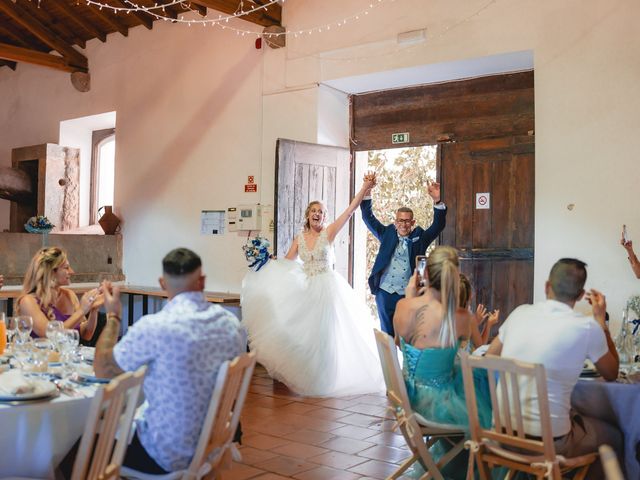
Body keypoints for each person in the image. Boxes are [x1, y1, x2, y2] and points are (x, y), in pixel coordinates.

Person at [89, 248, 245, 474]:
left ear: (163, 283)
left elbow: (103, 371)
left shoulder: (156, 327)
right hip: (212, 440)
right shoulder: (231, 324)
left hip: (166, 455)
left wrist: (113, 316)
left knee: (79, 446)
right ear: (202, 281)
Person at [241, 175, 384, 397]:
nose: (318, 214)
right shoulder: (299, 238)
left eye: (322, 212)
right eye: (314, 211)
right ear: (308, 215)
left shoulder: (329, 233)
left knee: (325, 336)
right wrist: (267, 262)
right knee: (304, 335)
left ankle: (327, 379)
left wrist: (365, 188)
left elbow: (349, 211)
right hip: (306, 287)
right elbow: (287, 262)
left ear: (325, 217)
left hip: (327, 287)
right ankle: (309, 376)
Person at [486, 258, 622, 479]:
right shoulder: (587, 327)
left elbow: (490, 357)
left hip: (500, 435)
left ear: (547, 286)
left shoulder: (519, 313)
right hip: (548, 445)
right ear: (580, 296)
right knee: (614, 436)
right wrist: (600, 321)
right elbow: (611, 373)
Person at [393, 246, 491, 430]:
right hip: (440, 405)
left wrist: (410, 297)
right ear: (454, 276)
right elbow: (465, 349)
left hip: (405, 399)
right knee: (487, 382)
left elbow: (399, 344)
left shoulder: (402, 306)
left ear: (426, 274)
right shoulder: (461, 317)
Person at [361, 174, 446, 337]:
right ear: (395, 222)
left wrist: (437, 200)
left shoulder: (420, 237)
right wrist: (367, 191)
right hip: (385, 292)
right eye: (400, 221)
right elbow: (368, 217)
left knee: (408, 335)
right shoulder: (386, 234)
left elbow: (438, 225)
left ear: (413, 222)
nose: (403, 224)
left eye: (407, 221)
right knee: (387, 335)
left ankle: (406, 363)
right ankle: (389, 363)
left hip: (409, 294)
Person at [17, 247, 102, 340]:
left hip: (66, 353)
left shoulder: (70, 295)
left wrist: (93, 310)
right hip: (40, 354)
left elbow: (86, 335)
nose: (72, 272)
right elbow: (48, 334)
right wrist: (82, 311)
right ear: (51, 272)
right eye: (66, 268)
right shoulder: (28, 301)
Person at [459, 273, 499, 347]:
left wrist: (476, 323)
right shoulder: (469, 319)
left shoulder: (445, 314)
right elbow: (480, 347)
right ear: (468, 297)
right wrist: (488, 324)